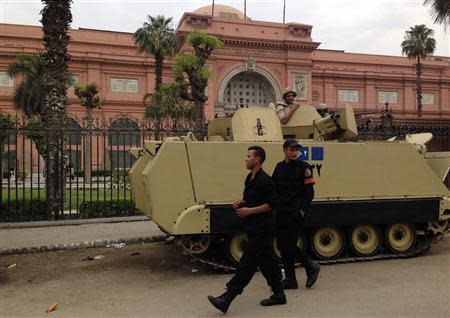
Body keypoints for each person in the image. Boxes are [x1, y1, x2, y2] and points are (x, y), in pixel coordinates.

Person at [208, 146, 286, 313]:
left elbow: (271, 204)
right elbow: (251, 199)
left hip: (263, 228)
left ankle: (227, 297)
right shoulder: (249, 178)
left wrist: (249, 211)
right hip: (254, 226)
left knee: (247, 263)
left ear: (257, 159)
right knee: (267, 262)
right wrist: (241, 203)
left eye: (248, 156)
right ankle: (279, 294)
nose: (245, 159)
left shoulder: (265, 180)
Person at [272, 138, 320, 290]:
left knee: (289, 245)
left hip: (294, 212)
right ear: (284, 150)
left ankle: (311, 266)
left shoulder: (304, 167)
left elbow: (309, 192)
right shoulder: (278, 167)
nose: (294, 152)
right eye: (291, 150)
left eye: (296, 150)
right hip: (281, 212)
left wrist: (302, 210)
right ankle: (290, 279)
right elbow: (273, 189)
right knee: (282, 246)